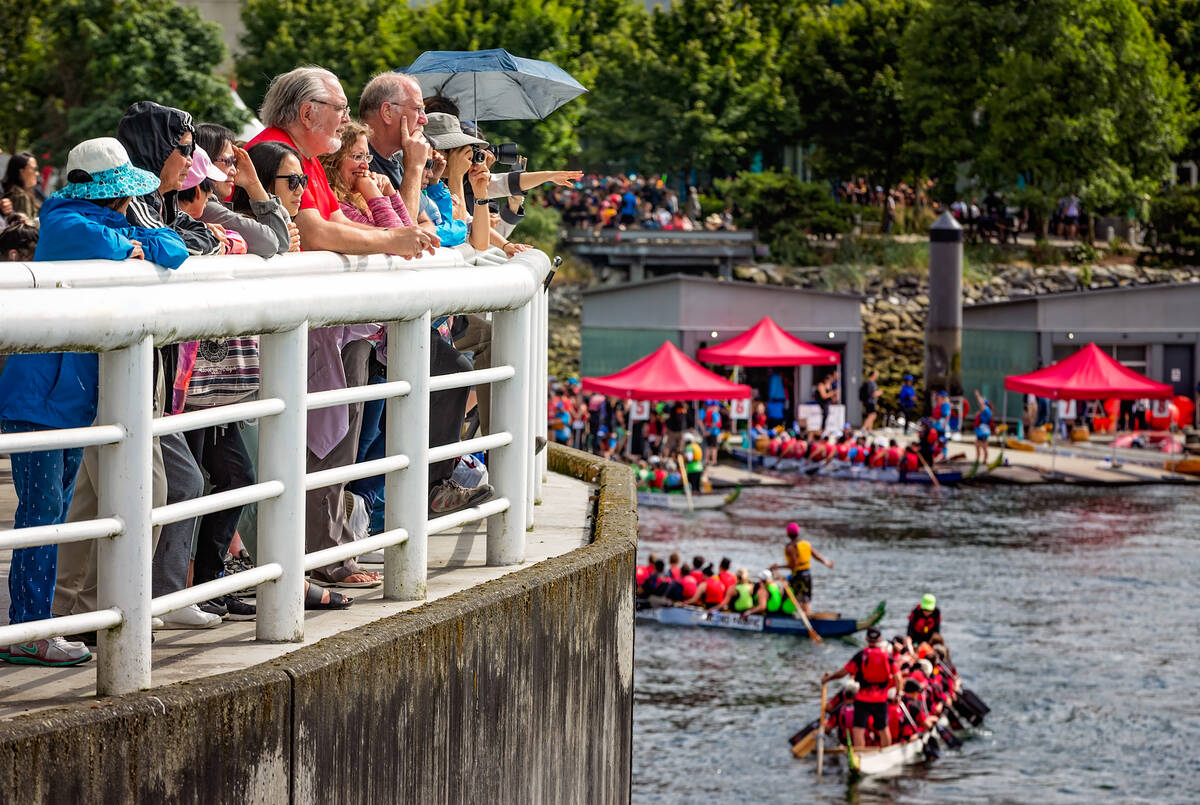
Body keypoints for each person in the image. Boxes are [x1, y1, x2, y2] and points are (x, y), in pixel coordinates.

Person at [0, 137, 188, 663]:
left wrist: (137, 241)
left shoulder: (94, 220)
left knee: (52, 515)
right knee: (41, 516)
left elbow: (173, 248)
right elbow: (125, 245)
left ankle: (36, 628)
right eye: (122, 195)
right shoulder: (65, 222)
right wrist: (136, 243)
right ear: (109, 193)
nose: (129, 203)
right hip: (39, 399)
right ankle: (28, 632)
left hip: (64, 400)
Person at [194, 122, 296, 256]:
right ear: (205, 161)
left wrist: (253, 184)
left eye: (235, 163)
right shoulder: (206, 208)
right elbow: (271, 243)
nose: (234, 171)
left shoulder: (208, 206)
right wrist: (253, 184)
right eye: (228, 161)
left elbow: (280, 243)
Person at [821, 627, 904, 749]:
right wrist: (898, 694)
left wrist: (828, 679)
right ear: (880, 639)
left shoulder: (861, 655)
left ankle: (860, 753)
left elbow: (844, 672)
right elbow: (898, 678)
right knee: (883, 728)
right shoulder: (887, 657)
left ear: (866, 639)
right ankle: (886, 751)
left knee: (858, 729)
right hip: (881, 698)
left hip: (863, 698)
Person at [776, 522, 833, 617]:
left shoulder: (791, 547)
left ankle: (806, 619)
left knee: (799, 598)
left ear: (788, 534)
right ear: (798, 533)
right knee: (806, 599)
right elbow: (816, 556)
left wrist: (778, 567)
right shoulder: (806, 544)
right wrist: (827, 563)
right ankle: (807, 616)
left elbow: (794, 564)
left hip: (798, 575)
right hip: (807, 574)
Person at [2, 151, 42, 221]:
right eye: (34, 169)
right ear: (21, 172)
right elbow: (26, 228)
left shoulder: (15, 192)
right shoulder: (20, 196)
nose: (37, 173)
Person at [973, 390, 992, 464]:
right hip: (980, 431)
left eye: (981, 405)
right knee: (977, 445)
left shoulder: (987, 410)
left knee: (984, 446)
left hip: (983, 431)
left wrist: (978, 395)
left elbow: (981, 403)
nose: (980, 406)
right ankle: (978, 459)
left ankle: (984, 460)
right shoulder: (982, 412)